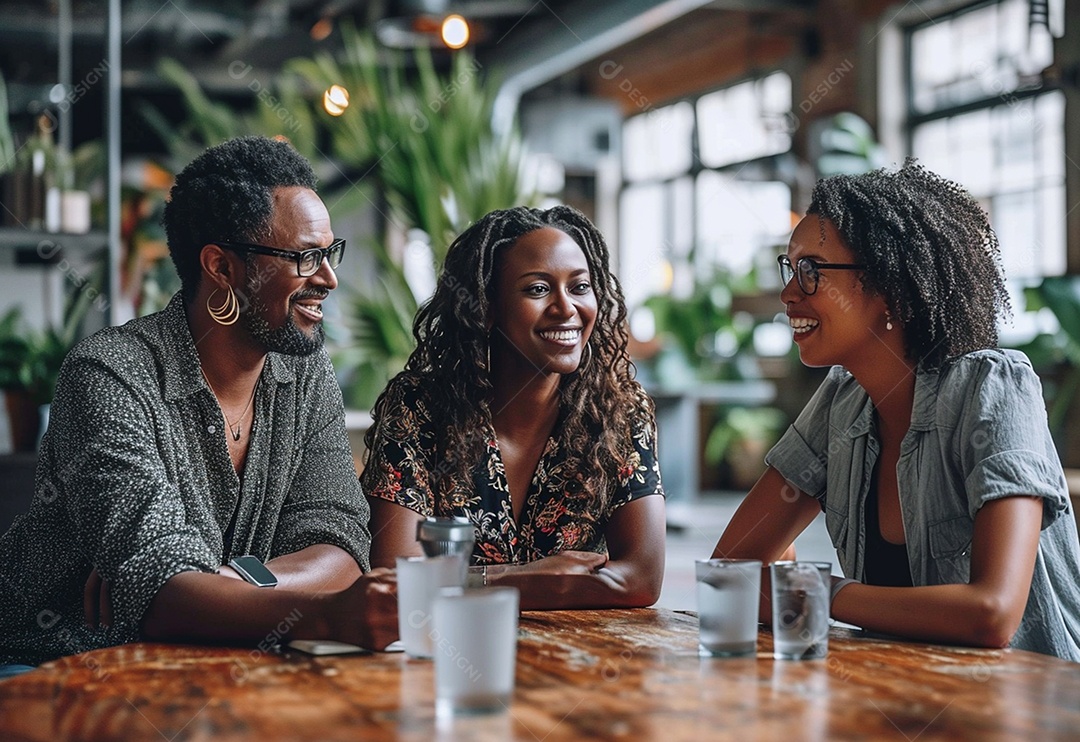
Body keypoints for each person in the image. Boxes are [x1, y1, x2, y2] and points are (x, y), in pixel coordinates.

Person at [0, 136, 397, 669]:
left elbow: (340, 546)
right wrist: (322, 615)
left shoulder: (304, 371)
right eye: (305, 257)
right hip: (58, 664)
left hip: (213, 659)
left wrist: (219, 585)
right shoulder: (110, 375)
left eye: (329, 253)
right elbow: (167, 600)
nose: (328, 278)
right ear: (221, 267)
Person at [712, 160, 1080, 661]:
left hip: (1028, 712)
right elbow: (734, 566)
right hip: (898, 697)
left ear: (891, 288)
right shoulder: (841, 401)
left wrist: (826, 594)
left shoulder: (993, 389)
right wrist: (785, 581)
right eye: (790, 267)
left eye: (812, 271)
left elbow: (992, 613)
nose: (787, 293)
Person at [361, 206, 665, 609]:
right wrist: (533, 581)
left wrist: (463, 582)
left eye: (579, 287)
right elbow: (396, 579)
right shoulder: (420, 407)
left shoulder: (620, 412)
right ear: (486, 307)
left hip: (577, 659)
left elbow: (642, 578)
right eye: (537, 289)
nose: (566, 308)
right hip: (446, 650)